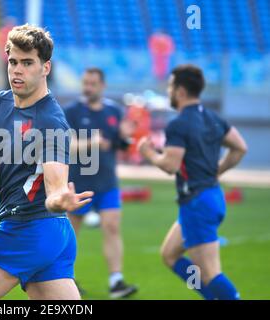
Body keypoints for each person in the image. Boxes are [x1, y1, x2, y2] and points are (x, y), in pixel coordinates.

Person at [0, 24, 93, 300]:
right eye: (12, 62)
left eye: (27, 63)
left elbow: (55, 188)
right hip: (51, 236)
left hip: (29, 230)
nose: (17, 70)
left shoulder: (51, 122)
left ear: (45, 68)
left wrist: (61, 199)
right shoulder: (0, 104)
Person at [138, 64, 247, 300]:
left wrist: (148, 153)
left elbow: (170, 165)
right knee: (170, 254)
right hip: (211, 197)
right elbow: (240, 147)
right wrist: (218, 171)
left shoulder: (179, 124)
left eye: (170, 86)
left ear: (180, 91)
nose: (168, 91)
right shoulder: (213, 118)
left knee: (210, 274)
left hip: (197, 203)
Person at [64, 68, 137, 298]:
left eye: (93, 83)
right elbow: (66, 145)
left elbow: (120, 145)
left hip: (107, 183)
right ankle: (67, 281)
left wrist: (126, 137)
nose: (88, 87)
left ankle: (116, 282)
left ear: (102, 86)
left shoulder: (114, 110)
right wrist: (91, 143)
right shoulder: (72, 112)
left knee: (112, 228)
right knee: (70, 234)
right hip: (78, 183)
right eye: (85, 83)